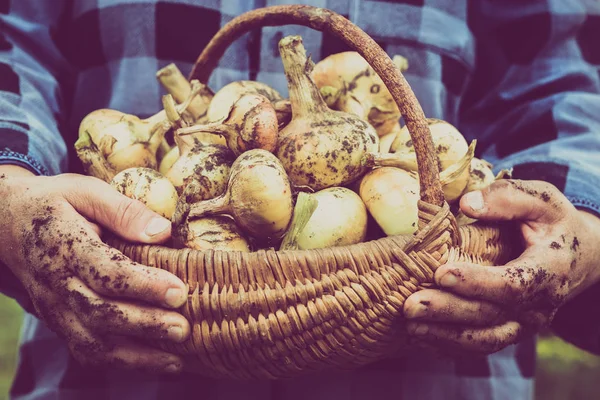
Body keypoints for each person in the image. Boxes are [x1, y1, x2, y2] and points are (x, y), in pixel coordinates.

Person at [1, 0, 599, 399]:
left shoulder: (382, 142)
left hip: (439, 351)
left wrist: (585, 221)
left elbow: (565, 69)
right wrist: (10, 191)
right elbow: (12, 40)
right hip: (107, 356)